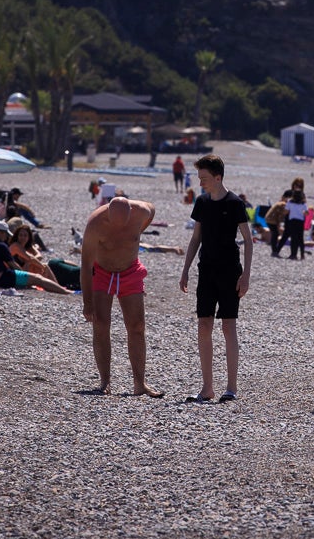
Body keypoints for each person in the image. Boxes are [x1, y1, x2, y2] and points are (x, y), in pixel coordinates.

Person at [179, 155, 252, 403]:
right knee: (204, 325)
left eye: (204, 178)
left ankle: (231, 388)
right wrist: (185, 269)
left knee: (228, 326)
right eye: (199, 178)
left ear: (218, 177)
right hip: (206, 270)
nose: (200, 183)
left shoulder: (235, 203)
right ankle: (207, 388)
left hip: (230, 271)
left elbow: (248, 241)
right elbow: (195, 239)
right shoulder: (201, 202)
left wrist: (246, 275)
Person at [80, 196, 164, 397]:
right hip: (102, 272)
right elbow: (86, 264)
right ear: (107, 214)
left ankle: (139, 383)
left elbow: (152, 210)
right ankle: (105, 382)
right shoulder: (95, 223)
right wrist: (87, 302)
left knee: (137, 326)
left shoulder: (142, 211)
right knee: (101, 324)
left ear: (131, 213)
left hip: (131, 271)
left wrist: (137, 232)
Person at [0, 221, 72, 293]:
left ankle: (60, 288)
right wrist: (26, 275)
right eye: (5, 234)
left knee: (36, 276)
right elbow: (13, 265)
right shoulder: (0, 245)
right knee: (38, 279)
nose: (6, 237)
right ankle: (66, 292)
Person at [281, 188, 308, 260]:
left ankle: (293, 254)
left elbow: (286, 212)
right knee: (300, 238)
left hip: (292, 221)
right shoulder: (303, 203)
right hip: (300, 222)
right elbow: (306, 213)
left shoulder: (290, 202)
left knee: (293, 238)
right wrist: (301, 213)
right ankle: (302, 255)